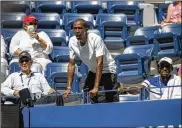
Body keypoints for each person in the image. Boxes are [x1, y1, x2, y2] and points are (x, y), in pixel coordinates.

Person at [64, 19, 119, 103]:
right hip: (93, 71)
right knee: (86, 94)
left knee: (105, 101)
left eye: (80, 28)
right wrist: (68, 88)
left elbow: (99, 63)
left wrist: (96, 87)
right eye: (75, 28)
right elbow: (71, 64)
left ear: (86, 29)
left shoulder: (96, 39)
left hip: (108, 71)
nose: (77, 31)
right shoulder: (72, 41)